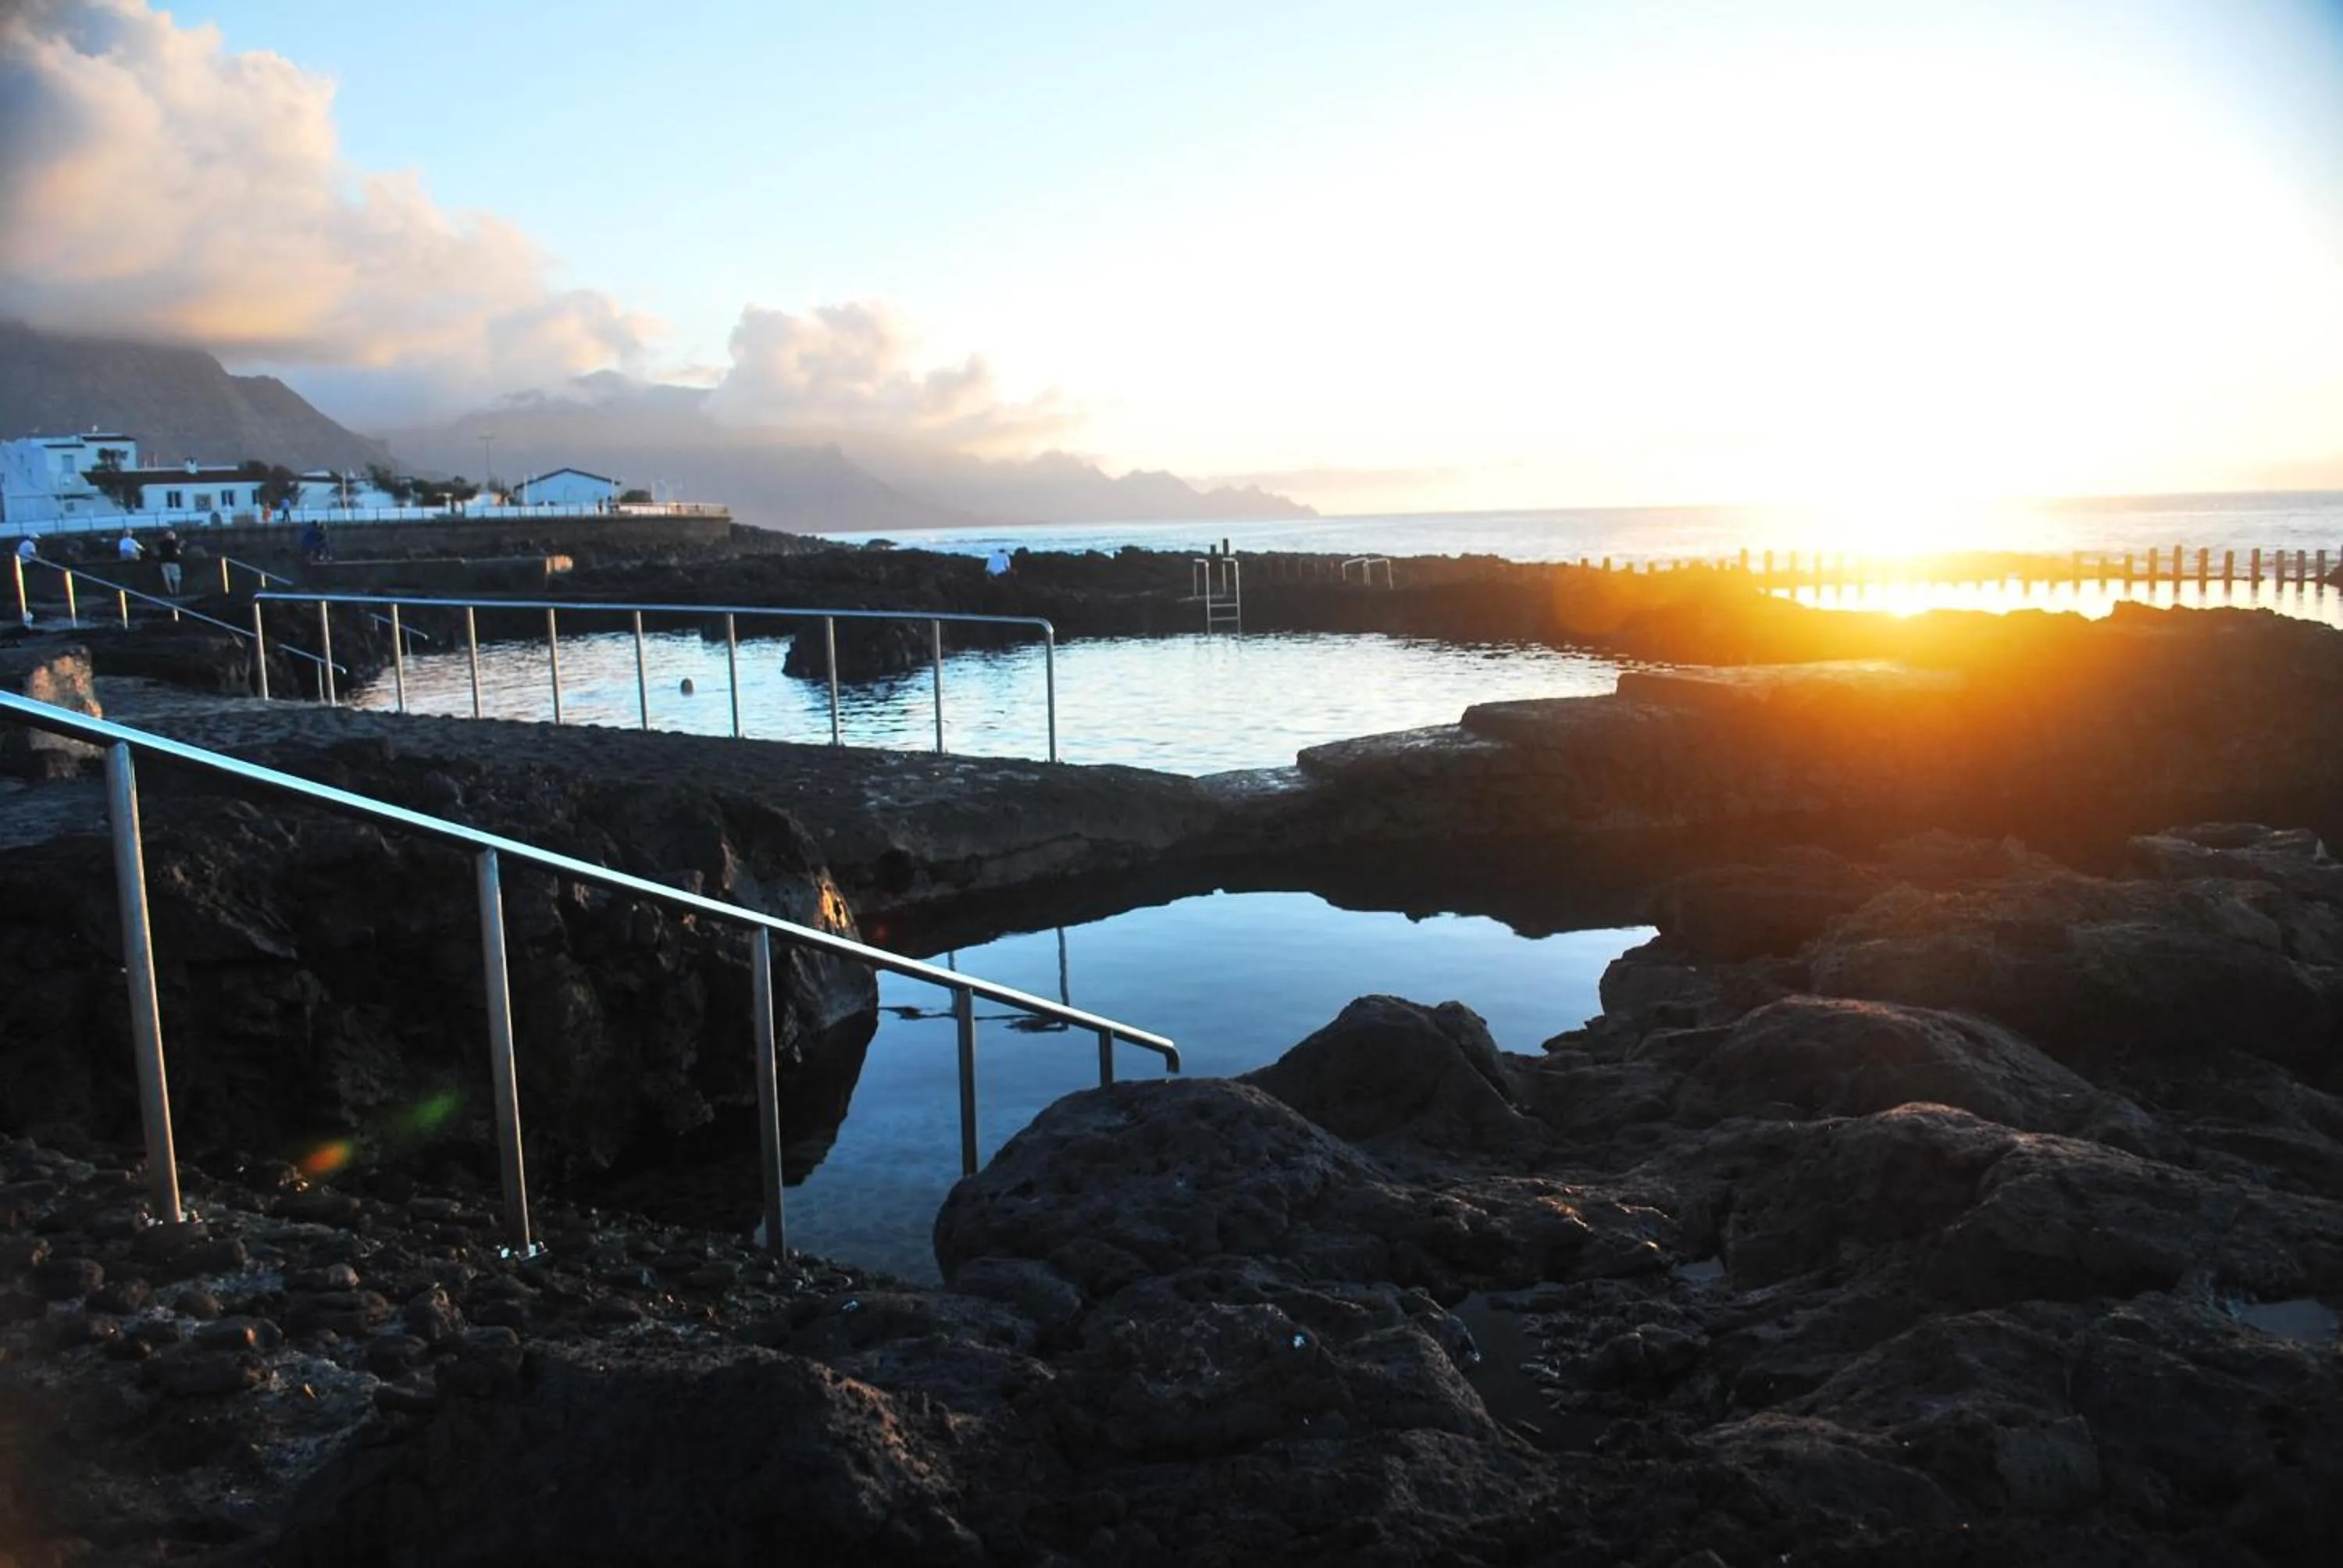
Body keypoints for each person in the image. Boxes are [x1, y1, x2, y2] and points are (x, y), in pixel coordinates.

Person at [155, 527, 184, 595]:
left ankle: (170, 591)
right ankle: (177, 591)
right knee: (176, 578)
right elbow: (178, 552)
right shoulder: (175, 543)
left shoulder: (161, 544)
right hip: (174, 562)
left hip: (164, 563)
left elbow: (157, 552)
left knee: (167, 578)